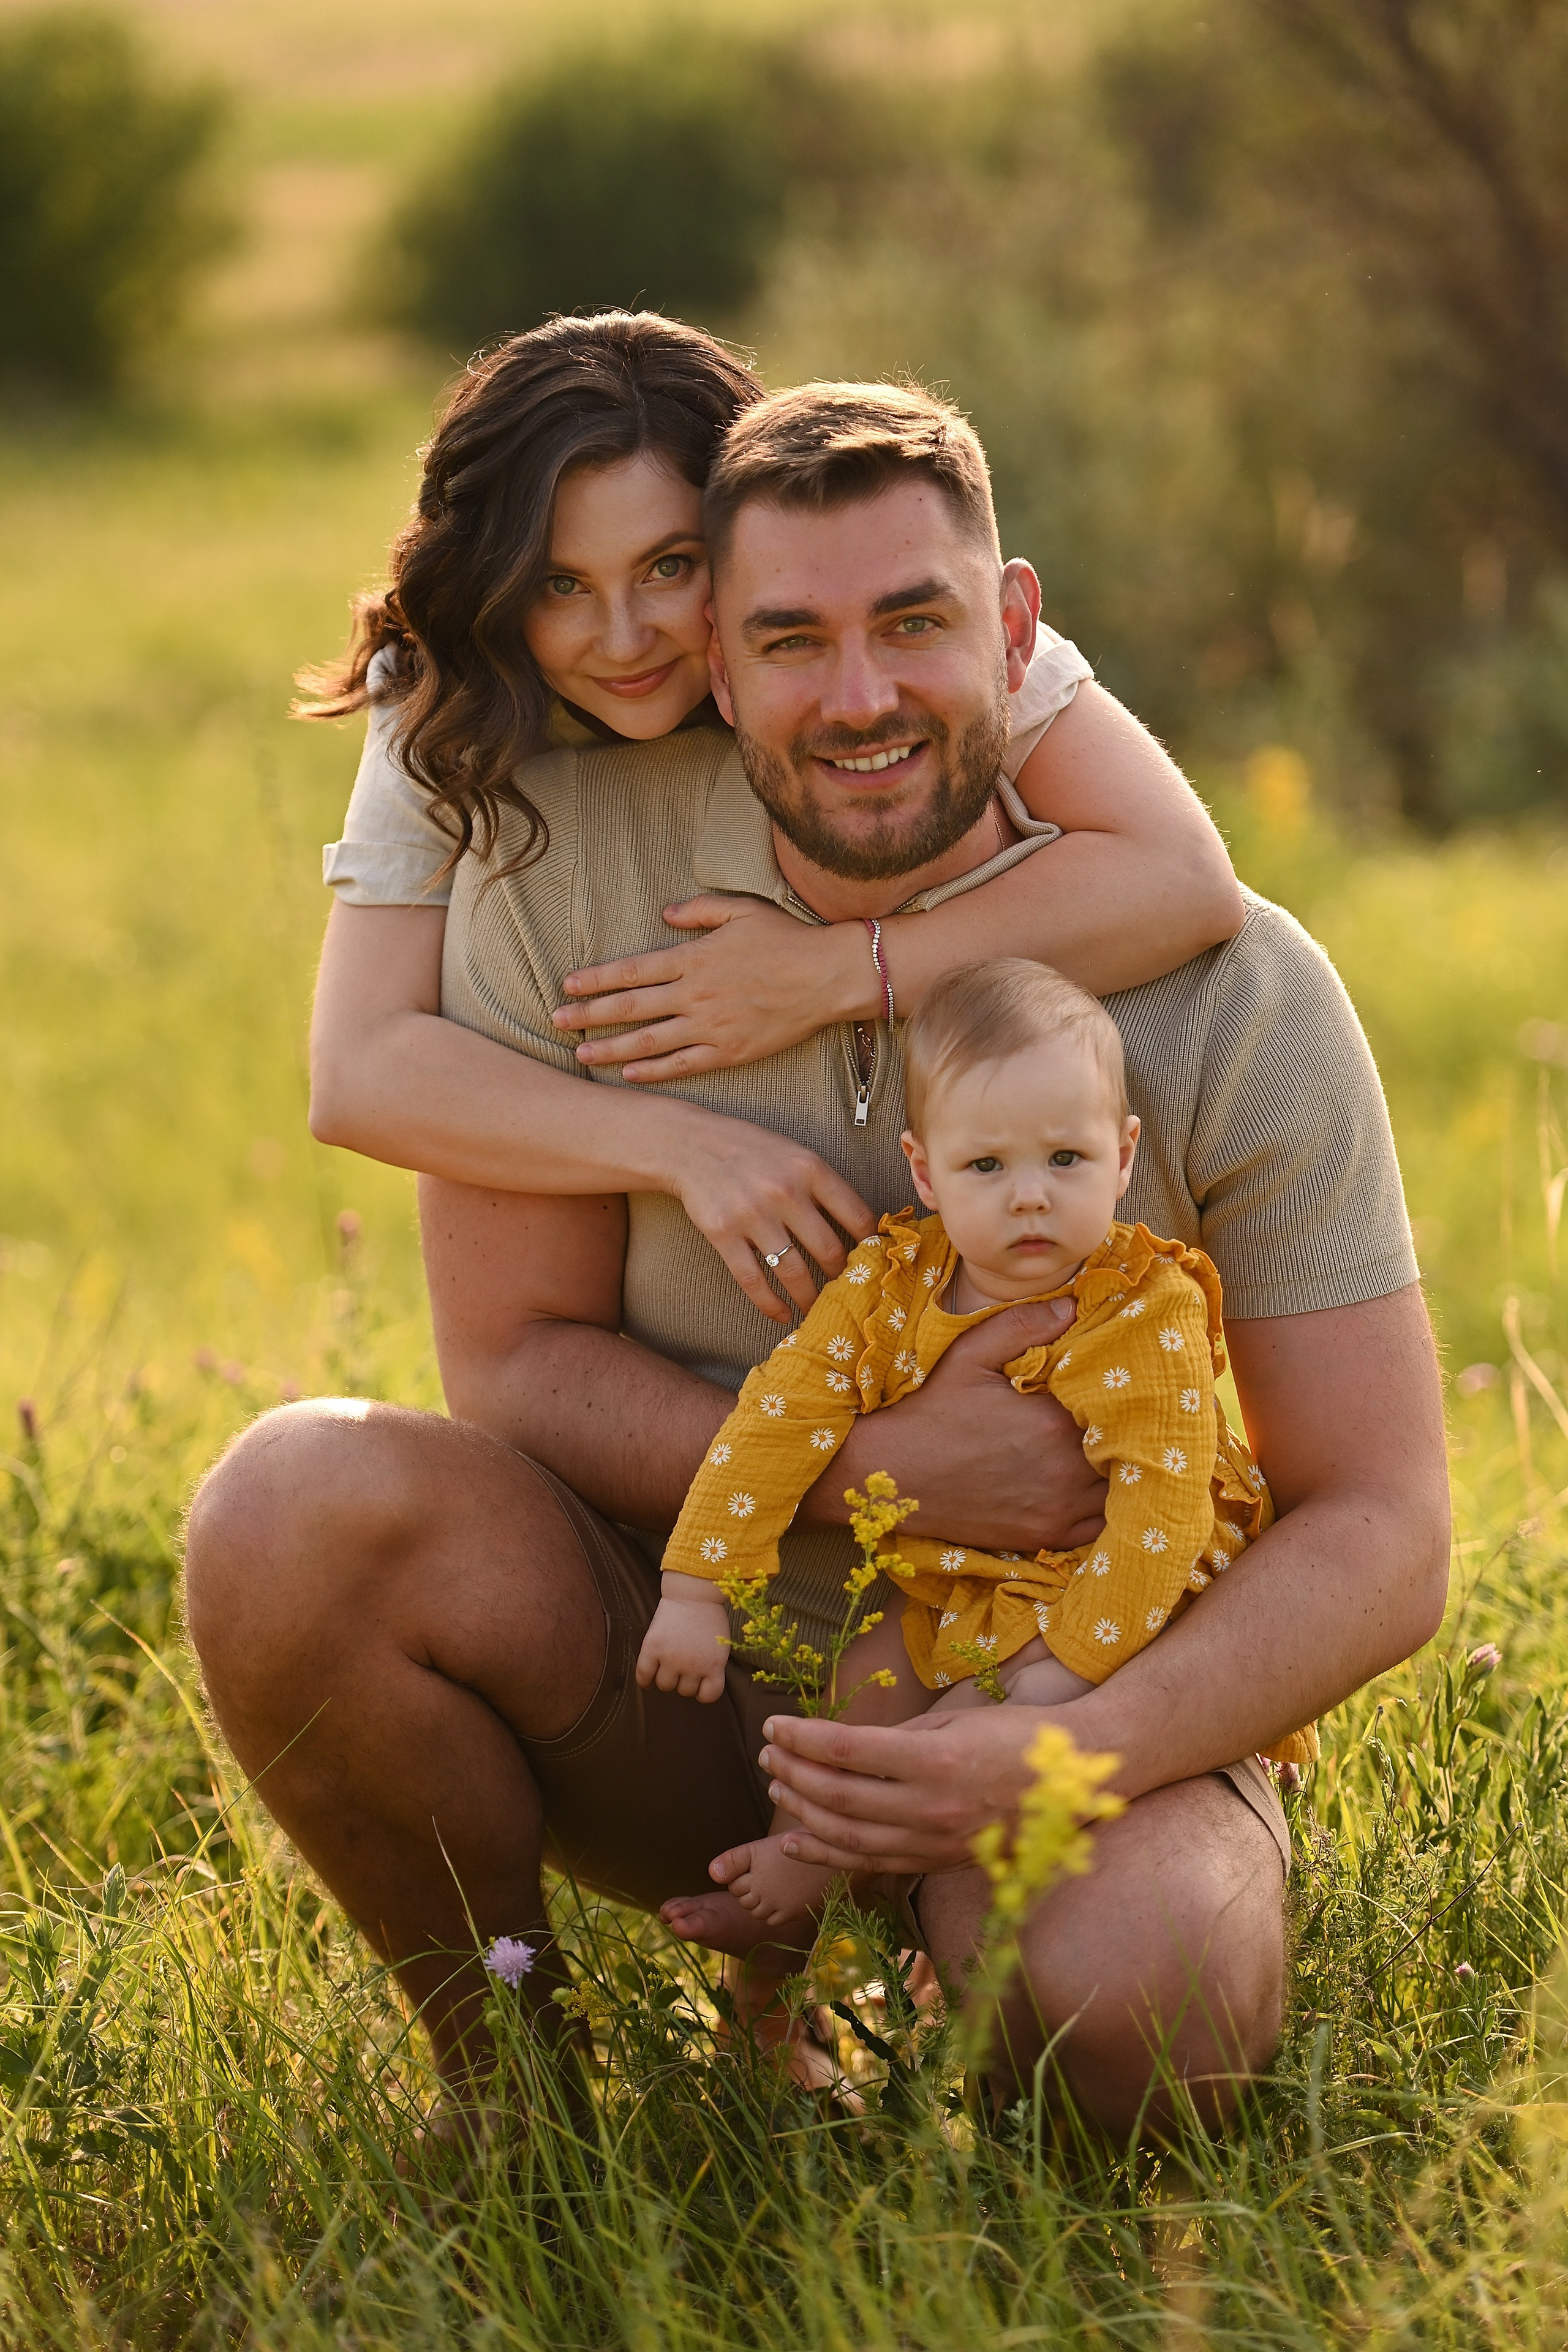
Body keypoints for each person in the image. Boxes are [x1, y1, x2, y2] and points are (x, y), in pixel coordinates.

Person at [185, 379, 1449, 2140]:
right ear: (721, 654)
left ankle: (981, 2002)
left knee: (1140, 2012)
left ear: (1015, 631)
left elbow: (1388, 1532)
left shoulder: (1229, 981)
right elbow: (519, 1370)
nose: (859, 699)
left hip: (1076, 1678)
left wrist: (1077, 1744)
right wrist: (865, 1473)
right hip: (691, 1680)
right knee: (287, 1511)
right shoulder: (561, 894)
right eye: (792, 640)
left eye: (914, 624)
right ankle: (511, 2096)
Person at [303, 311, 1246, 1329]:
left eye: (670, 566)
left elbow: (1183, 878)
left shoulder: (889, 647)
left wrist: (837, 975)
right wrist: (684, 1148)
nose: (623, 640)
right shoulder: (447, 686)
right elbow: (358, 1072)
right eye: (561, 584)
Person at [644, 958, 1309, 1946]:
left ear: (1123, 1156)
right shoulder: (887, 1285)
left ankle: (918, 1892)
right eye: (987, 1168)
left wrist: (1065, 1668)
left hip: (1130, 1611)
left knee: (978, 1736)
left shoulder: (1141, 1308)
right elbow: (778, 1418)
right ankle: (807, 1863)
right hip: (960, 1595)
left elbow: (1161, 1515)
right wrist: (696, 1588)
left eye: (1065, 1162)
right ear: (925, 1170)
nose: (1030, 1199)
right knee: (862, 1686)